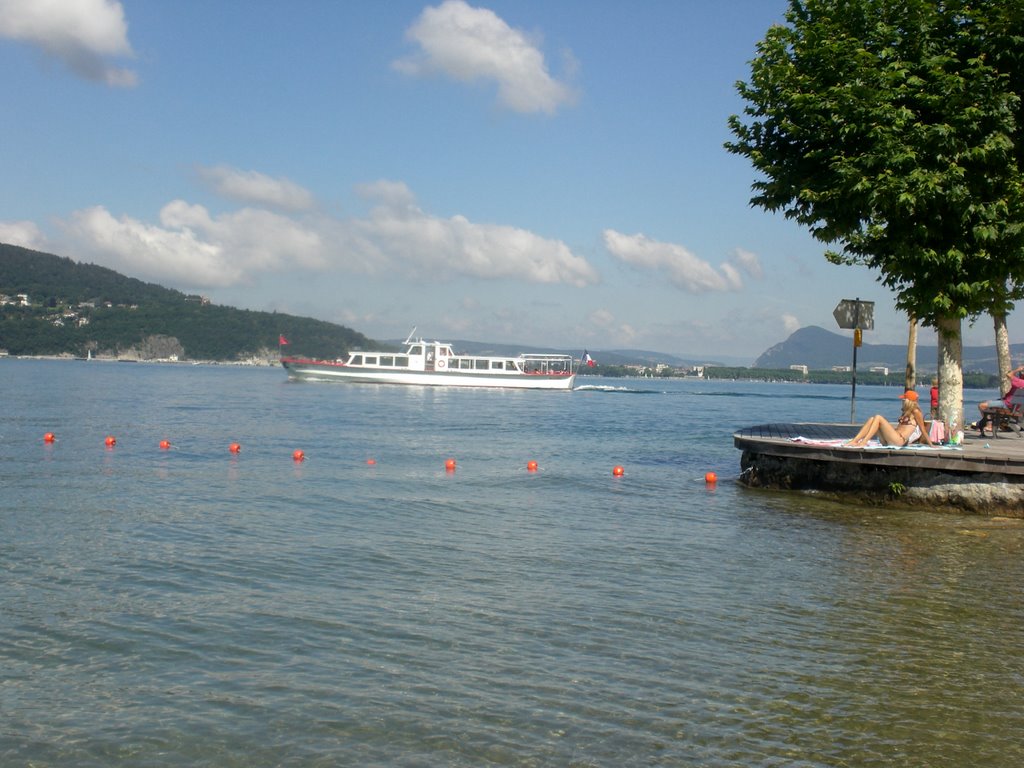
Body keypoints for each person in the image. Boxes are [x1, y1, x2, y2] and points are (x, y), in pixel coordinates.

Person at [846, 390, 934, 448]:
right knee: (872, 419)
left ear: (908, 400)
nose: (902, 400)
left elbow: (923, 429)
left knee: (878, 417)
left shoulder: (916, 411)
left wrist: (931, 445)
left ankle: (864, 441)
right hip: (890, 439)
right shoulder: (906, 411)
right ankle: (855, 441)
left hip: (899, 440)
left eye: (904, 399)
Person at [977, 364, 1024, 437]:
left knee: (981, 405)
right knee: (988, 403)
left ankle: (989, 425)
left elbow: (1009, 374)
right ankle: (989, 424)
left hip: (1006, 404)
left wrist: (1017, 369)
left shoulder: (1020, 382)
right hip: (1013, 407)